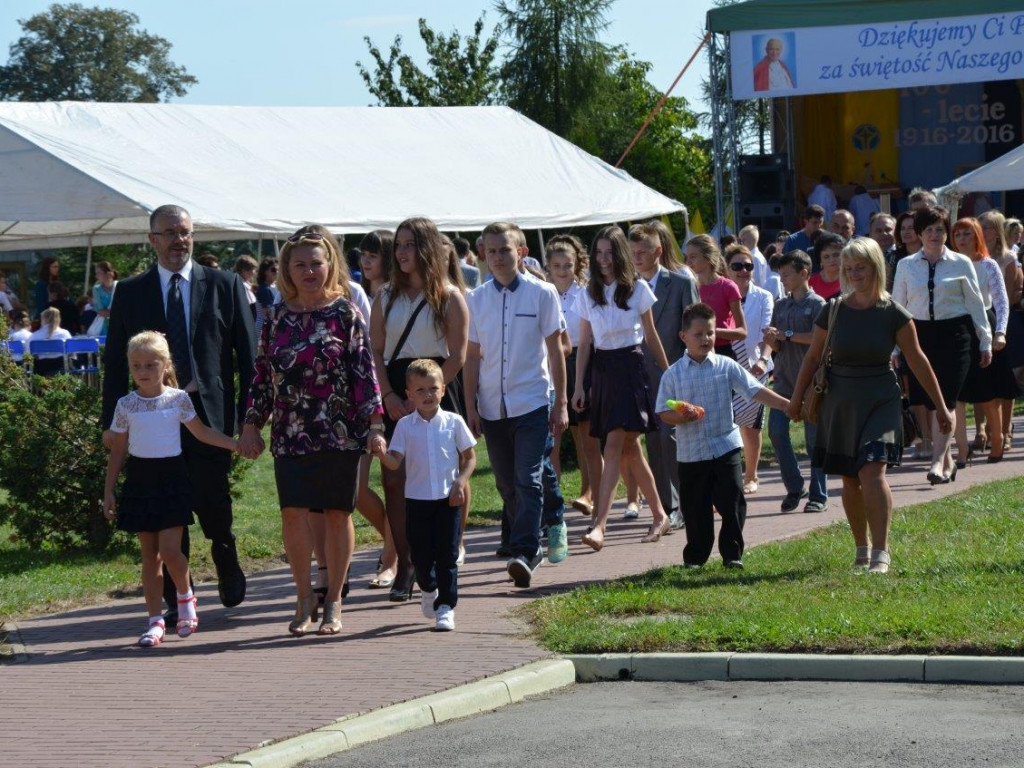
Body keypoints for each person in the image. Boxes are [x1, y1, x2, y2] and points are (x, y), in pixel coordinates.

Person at [102, 204, 255, 623]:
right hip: (153, 419)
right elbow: (115, 360)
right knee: (167, 502)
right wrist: (110, 426)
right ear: (152, 240)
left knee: (211, 496)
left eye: (184, 232)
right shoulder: (131, 292)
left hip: (205, 411)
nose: (178, 240)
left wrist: (250, 419)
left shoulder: (225, 285)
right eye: (168, 233)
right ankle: (175, 595)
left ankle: (225, 553)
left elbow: (249, 356)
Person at [239, 228, 385, 636]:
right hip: (291, 430)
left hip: (340, 430)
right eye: (300, 264)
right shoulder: (277, 317)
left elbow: (364, 374)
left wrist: (375, 425)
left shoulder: (345, 313)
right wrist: (251, 424)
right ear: (287, 269)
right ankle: (304, 597)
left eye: (316, 263)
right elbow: (262, 375)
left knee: (338, 513)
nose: (309, 271)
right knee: (293, 515)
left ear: (330, 266)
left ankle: (334, 600)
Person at [788, 238, 951, 574]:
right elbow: (813, 357)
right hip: (840, 402)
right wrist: (795, 401)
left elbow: (917, 361)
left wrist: (942, 407)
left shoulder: (895, 314)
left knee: (872, 471)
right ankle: (861, 549)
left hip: (881, 400)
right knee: (849, 478)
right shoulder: (832, 309)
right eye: (848, 268)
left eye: (860, 266)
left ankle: (882, 551)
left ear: (876, 267)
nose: (854, 273)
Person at [103, 331, 241, 646]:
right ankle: (154, 621)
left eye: (150, 364)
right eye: (136, 365)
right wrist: (109, 491)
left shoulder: (178, 399)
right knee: (149, 557)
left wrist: (235, 444)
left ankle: (185, 598)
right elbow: (118, 451)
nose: (142, 371)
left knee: (169, 551)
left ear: (165, 365)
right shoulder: (126, 405)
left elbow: (203, 433)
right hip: (141, 480)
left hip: (172, 478)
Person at [371, 217, 469, 600]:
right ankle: (406, 562)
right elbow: (376, 352)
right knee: (395, 480)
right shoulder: (385, 295)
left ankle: (443, 553)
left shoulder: (448, 295)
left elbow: (458, 355)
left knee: (444, 474)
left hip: (436, 385)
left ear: (428, 247)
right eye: (399, 245)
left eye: (411, 244)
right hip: (397, 389)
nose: (402, 252)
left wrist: (428, 395)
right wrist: (391, 395)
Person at [465, 221, 567, 587]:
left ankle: (527, 549)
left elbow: (557, 351)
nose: (497, 257)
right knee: (508, 483)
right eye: (491, 251)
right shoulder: (475, 300)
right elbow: (472, 356)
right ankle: (554, 515)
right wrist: (471, 406)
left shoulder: (542, 294)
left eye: (504, 250)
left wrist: (562, 402)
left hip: (533, 400)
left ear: (520, 252)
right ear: (483, 255)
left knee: (528, 478)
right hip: (493, 407)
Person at [657, 303, 790, 568]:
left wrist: (786, 404)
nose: (706, 339)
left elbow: (754, 390)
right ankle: (696, 557)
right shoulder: (673, 374)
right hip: (691, 452)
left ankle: (732, 554)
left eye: (710, 333)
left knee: (732, 502)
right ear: (683, 336)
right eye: (698, 334)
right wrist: (682, 415)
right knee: (695, 508)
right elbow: (663, 411)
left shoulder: (726, 366)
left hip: (725, 445)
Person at [571, 225, 670, 551]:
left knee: (613, 445)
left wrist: (669, 373)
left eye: (609, 252)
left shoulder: (637, 289)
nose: (603, 259)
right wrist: (578, 387)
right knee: (630, 449)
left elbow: (651, 335)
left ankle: (600, 524)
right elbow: (584, 343)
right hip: (602, 372)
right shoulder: (588, 293)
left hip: (631, 369)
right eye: (598, 253)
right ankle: (659, 513)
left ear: (620, 254)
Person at [373, 359, 476, 631]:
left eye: (433, 388)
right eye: (420, 390)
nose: (427, 395)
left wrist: (460, 482)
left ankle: (446, 607)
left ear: (443, 390)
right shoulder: (406, 426)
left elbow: (469, 457)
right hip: (417, 502)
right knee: (420, 555)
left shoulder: (454, 422)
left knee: (447, 554)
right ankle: (427, 588)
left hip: (448, 501)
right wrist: (381, 454)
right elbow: (395, 462)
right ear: (409, 395)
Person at [892, 206, 991, 484]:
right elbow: (898, 306)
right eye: (929, 230)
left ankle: (937, 462)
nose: (935, 235)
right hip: (918, 336)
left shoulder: (961, 263)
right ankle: (948, 462)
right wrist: (895, 348)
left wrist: (985, 341)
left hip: (955, 335)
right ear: (919, 234)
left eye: (940, 229)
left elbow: (976, 304)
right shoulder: (905, 265)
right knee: (930, 402)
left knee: (946, 399)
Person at [628, 223, 699, 527]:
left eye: (643, 252)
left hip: (673, 373)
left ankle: (688, 502)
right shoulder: (626, 286)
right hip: (638, 377)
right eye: (632, 253)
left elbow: (696, 329)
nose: (637, 258)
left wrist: (688, 370)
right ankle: (666, 507)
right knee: (653, 442)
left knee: (674, 440)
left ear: (658, 251)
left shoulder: (680, 283)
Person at [763, 250, 829, 513]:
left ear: (804, 273)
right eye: (780, 275)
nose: (783, 280)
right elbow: (779, 345)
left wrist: (786, 334)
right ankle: (794, 486)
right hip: (784, 381)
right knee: (776, 431)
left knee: (815, 441)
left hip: (813, 382)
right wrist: (772, 340)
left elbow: (817, 338)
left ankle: (818, 495)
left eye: (787, 275)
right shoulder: (781, 305)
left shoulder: (818, 305)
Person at [546, 234, 600, 520]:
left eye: (567, 264)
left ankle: (589, 493)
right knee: (553, 434)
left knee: (585, 434)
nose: (563, 270)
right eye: (557, 265)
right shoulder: (544, 292)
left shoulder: (585, 292)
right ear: (549, 266)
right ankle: (552, 499)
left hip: (582, 361)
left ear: (576, 263)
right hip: (552, 362)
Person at [357, 228, 399, 587]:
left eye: (373, 255)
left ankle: (392, 556)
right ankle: (399, 539)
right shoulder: (362, 292)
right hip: (359, 400)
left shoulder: (392, 295)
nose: (365, 262)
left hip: (388, 396)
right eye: (363, 255)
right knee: (355, 490)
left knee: (392, 481)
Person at [724, 244, 775, 494]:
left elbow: (768, 333)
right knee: (726, 424)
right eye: (737, 266)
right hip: (725, 365)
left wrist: (763, 360)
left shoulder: (763, 296)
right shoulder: (719, 293)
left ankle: (751, 475)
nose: (743, 270)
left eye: (748, 266)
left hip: (754, 368)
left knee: (750, 426)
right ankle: (728, 476)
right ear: (726, 268)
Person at [978, 210, 1024, 453]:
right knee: (984, 377)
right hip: (981, 320)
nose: (981, 231)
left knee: (1007, 380)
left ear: (996, 231)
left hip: (1003, 321)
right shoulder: (973, 257)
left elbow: (1004, 296)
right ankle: (983, 429)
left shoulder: (1008, 258)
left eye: (985, 227)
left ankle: (1005, 430)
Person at [685, 235, 747, 359]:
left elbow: (742, 332)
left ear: (707, 258)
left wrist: (709, 332)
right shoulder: (688, 287)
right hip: (694, 354)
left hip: (723, 354)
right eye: (687, 257)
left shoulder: (728, 287)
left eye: (693, 257)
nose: (688, 262)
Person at [28, 307, 71, 376]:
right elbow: (71, 353)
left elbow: (28, 352)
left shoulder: (35, 336)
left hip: (41, 369)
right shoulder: (65, 334)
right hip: (61, 367)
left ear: (44, 319)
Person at [808, 231, 844, 300]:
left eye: (836, 255)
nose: (832, 259)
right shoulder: (810, 282)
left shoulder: (852, 279)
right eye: (826, 256)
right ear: (820, 260)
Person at [254, 256, 280, 340]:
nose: (276, 272)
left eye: (278, 270)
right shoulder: (264, 289)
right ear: (265, 272)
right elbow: (267, 312)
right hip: (264, 327)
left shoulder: (275, 287)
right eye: (273, 270)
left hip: (271, 326)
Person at [90, 261, 118, 337]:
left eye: (99, 273)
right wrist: (116, 312)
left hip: (118, 324)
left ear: (108, 273)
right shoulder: (96, 289)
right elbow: (100, 311)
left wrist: (112, 312)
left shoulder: (120, 287)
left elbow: (124, 308)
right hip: (103, 326)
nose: (96, 276)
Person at [232, 255, 259, 320]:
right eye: (253, 270)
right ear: (244, 270)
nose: (254, 273)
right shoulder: (238, 284)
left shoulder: (247, 283)